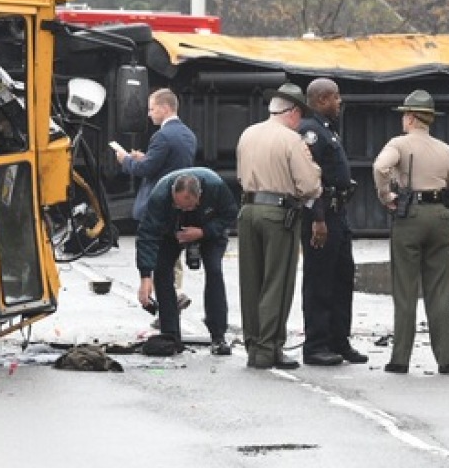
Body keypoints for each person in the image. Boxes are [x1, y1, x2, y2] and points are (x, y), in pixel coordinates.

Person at [372, 90, 449, 375]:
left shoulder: (399, 144)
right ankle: (446, 359)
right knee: (438, 290)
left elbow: (380, 166)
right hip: (440, 216)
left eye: (405, 114)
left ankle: (400, 358)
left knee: (405, 290)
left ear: (412, 117)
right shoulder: (446, 149)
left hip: (410, 216)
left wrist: (385, 195)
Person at [236, 82, 322, 370]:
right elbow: (309, 185)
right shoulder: (291, 140)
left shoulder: (247, 133)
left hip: (248, 210)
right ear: (293, 112)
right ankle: (267, 349)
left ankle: (252, 345)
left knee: (251, 283)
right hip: (278, 214)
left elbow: (239, 175)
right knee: (277, 282)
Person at [297, 78, 366, 367]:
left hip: (338, 212)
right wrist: (319, 219)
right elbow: (311, 181)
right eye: (336, 98)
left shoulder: (326, 130)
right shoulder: (310, 132)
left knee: (341, 277)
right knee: (319, 280)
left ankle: (339, 339)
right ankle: (316, 344)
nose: (340, 103)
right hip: (322, 215)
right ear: (323, 99)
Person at [135, 167, 239, 355]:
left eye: (189, 206)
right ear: (173, 195)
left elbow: (230, 214)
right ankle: (170, 334)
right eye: (179, 206)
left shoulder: (215, 186)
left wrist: (204, 232)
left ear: (200, 195)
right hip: (172, 232)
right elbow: (147, 234)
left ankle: (218, 335)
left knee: (214, 270)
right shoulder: (160, 195)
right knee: (162, 270)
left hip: (208, 228)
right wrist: (145, 277)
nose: (184, 209)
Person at [116, 87, 196, 314]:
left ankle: (169, 301)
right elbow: (169, 164)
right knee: (172, 254)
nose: (149, 114)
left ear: (164, 108)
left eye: (152, 109)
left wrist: (125, 160)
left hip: (158, 204)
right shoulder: (188, 135)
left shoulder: (162, 136)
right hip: (178, 204)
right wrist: (147, 158)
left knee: (158, 257)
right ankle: (174, 297)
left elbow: (146, 169)